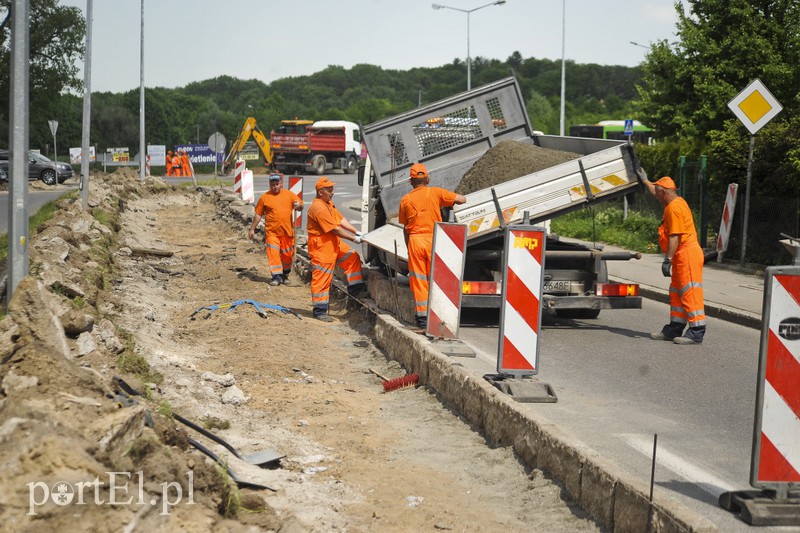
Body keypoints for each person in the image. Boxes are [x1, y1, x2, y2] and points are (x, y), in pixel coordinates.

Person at [398, 162, 466, 329]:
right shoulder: (436, 193)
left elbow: (405, 228)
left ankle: (422, 318)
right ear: (427, 179)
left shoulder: (405, 200)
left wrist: (409, 248)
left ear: (411, 182)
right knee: (435, 278)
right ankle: (438, 315)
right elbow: (461, 199)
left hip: (415, 240)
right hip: (434, 240)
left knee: (419, 280)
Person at [641, 175, 706, 344]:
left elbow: (675, 236)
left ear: (664, 192)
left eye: (658, 194)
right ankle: (675, 328)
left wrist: (667, 259)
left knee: (690, 292)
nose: (656, 196)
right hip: (681, 256)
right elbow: (655, 191)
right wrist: (645, 180)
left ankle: (697, 331)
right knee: (677, 292)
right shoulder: (675, 202)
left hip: (687, 255)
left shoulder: (674, 209)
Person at [306, 176, 366, 322]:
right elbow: (335, 229)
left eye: (332, 189)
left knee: (352, 257)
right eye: (329, 190)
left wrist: (356, 231)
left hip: (333, 243)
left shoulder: (328, 203)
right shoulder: (318, 208)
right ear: (320, 192)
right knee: (322, 277)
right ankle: (319, 310)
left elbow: (340, 219)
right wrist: (353, 238)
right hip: (322, 246)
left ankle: (355, 288)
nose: (332, 192)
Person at [249, 173, 303, 286]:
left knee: (287, 256)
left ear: (281, 184)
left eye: (277, 184)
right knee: (273, 254)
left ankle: (285, 275)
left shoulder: (289, 194)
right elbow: (258, 214)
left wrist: (298, 206)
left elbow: (300, 206)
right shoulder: (265, 197)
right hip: (272, 232)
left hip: (287, 232)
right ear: (269, 185)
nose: (275, 187)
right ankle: (276, 277)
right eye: (273, 184)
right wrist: (252, 229)